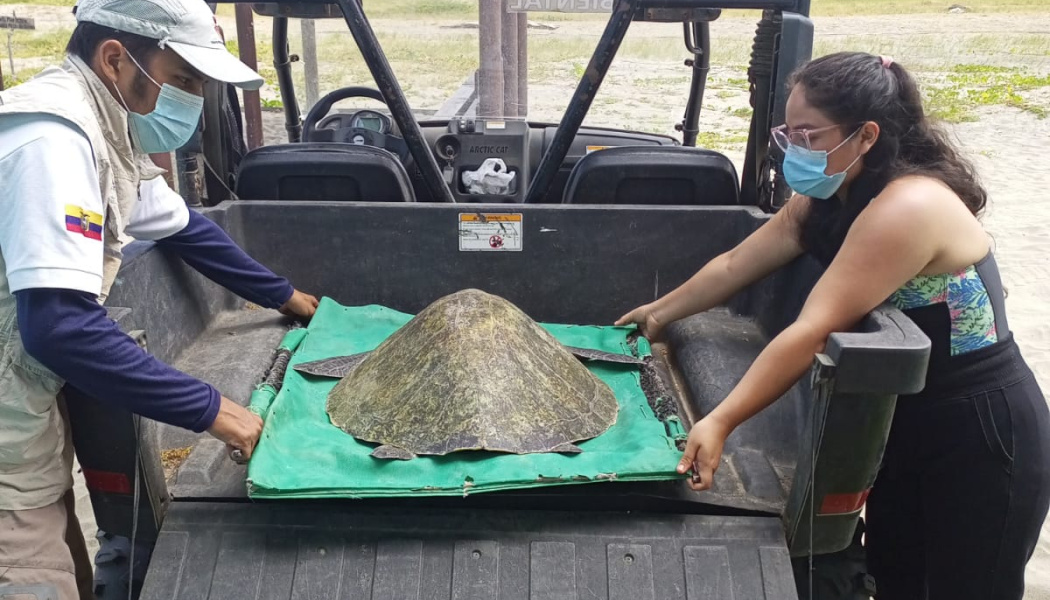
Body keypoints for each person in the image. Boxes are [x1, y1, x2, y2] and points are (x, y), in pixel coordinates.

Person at [617, 51, 1050, 599]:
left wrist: (720, 421)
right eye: (789, 133)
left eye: (810, 136)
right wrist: (654, 315)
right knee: (894, 579)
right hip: (903, 420)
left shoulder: (907, 206)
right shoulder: (828, 197)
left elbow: (810, 329)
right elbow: (733, 266)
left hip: (981, 430)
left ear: (866, 136)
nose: (794, 151)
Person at [0, 0, 319, 597]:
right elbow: (61, 327)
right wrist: (218, 411)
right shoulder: (52, 140)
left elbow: (184, 227)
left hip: (23, 424)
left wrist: (290, 297)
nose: (192, 102)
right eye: (183, 81)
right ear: (116, 58)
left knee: (64, 559)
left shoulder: (106, 129)